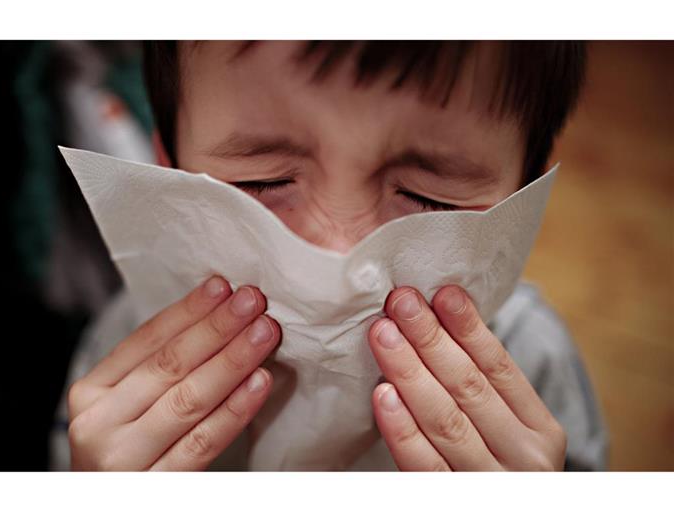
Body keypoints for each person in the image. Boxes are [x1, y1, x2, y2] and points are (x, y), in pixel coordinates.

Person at [50, 41, 607, 471]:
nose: (341, 261)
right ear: (168, 172)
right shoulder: (126, 354)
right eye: (262, 182)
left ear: (524, 199)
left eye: (427, 197)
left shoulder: (536, 366)